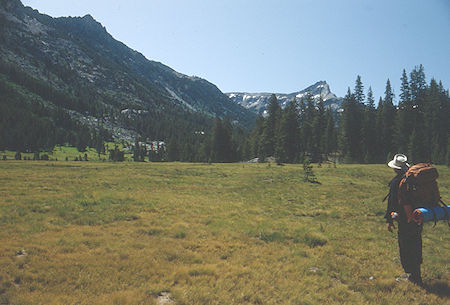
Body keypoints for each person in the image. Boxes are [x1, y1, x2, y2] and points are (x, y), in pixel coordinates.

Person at [384, 154, 423, 285]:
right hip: (418, 217)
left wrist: (389, 221)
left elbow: (391, 204)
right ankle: (417, 274)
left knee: (405, 246)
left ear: (395, 168)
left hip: (404, 220)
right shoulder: (414, 180)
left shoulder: (397, 182)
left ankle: (411, 275)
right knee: (416, 244)